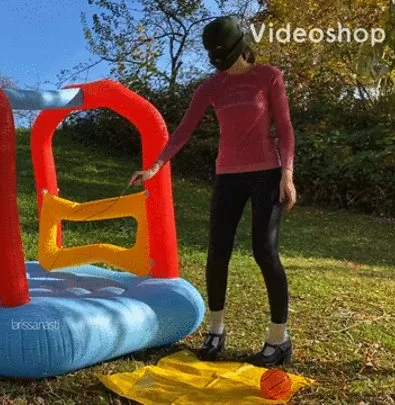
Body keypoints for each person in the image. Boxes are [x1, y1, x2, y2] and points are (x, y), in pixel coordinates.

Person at [129, 16, 297, 367]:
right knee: (217, 253)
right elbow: (183, 131)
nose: (221, 62)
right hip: (227, 175)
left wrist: (287, 174)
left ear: (239, 47)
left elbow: (284, 127)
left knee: (264, 250)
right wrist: (157, 166)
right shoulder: (211, 87)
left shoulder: (269, 77)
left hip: (266, 173)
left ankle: (279, 338)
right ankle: (216, 330)